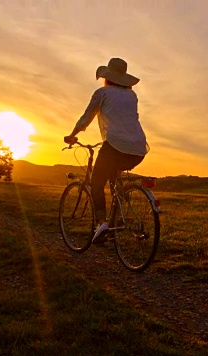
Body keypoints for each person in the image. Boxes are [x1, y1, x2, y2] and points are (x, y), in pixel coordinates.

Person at [64, 57, 148, 243]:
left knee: (96, 183)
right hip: (138, 149)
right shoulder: (132, 96)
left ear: (107, 76)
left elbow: (87, 117)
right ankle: (117, 217)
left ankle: (101, 223)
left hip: (114, 146)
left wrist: (72, 135)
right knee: (113, 176)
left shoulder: (102, 93)